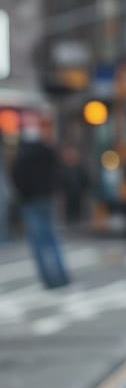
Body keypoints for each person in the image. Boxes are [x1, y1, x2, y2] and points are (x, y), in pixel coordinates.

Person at [10, 121, 70, 289]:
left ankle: (48, 279)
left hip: (30, 201)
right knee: (52, 238)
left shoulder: (22, 156)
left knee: (38, 242)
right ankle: (62, 275)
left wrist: (24, 194)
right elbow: (58, 173)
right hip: (47, 198)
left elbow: (16, 177)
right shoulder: (48, 152)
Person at [59, 143, 91, 226]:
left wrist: (84, 191)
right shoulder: (62, 169)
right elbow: (59, 182)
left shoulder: (80, 168)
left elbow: (86, 181)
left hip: (78, 194)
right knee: (68, 213)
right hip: (67, 195)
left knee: (77, 213)